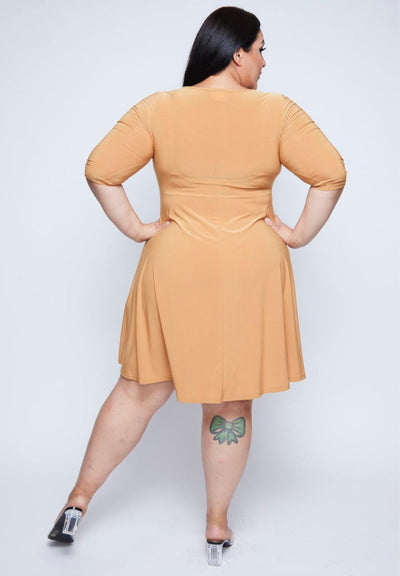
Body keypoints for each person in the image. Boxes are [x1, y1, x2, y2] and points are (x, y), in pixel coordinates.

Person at [47, 6, 347, 566]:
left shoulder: (159, 108)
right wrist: (297, 234)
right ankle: (215, 527)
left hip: (174, 265)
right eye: (261, 49)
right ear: (237, 53)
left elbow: (100, 169)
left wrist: (138, 228)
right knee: (229, 399)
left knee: (138, 389)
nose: (264, 62)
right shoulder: (276, 111)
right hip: (248, 270)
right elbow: (332, 172)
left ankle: (77, 502)